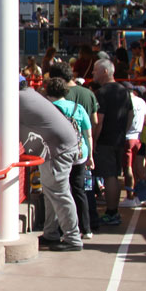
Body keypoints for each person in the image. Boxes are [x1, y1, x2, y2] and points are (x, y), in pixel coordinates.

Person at [19, 74, 82, 251]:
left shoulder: (16, 99)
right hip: (60, 146)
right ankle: (51, 233)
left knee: (59, 194)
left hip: (57, 150)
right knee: (52, 192)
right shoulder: (30, 95)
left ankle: (73, 238)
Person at [44, 77, 94, 239]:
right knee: (79, 190)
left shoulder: (49, 109)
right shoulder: (77, 108)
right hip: (80, 152)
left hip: (59, 154)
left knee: (61, 192)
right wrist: (91, 156)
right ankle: (86, 228)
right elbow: (88, 134)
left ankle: (62, 229)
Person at [92, 59, 133, 226]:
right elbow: (130, 115)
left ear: (105, 72)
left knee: (109, 176)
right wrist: (124, 131)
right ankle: (113, 210)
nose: (93, 73)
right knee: (114, 175)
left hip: (105, 141)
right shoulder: (124, 91)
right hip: (118, 138)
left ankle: (111, 211)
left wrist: (93, 140)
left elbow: (98, 120)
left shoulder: (101, 93)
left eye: (95, 70)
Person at [120, 84, 146, 207]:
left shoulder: (125, 101)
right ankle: (145, 196)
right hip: (139, 138)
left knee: (128, 168)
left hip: (127, 137)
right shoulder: (141, 101)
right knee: (139, 167)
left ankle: (130, 197)